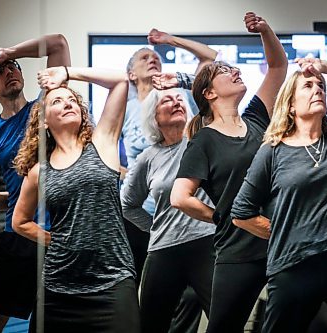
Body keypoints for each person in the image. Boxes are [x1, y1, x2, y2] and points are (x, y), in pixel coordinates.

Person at [231, 58, 327, 332]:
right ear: (291, 105)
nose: (317, 89)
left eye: (320, 86)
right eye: (307, 86)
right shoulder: (273, 150)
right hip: (294, 262)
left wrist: (324, 68)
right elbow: (241, 213)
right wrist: (285, 229)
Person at [170, 12, 287, 332]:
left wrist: (265, 30)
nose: (234, 71)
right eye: (225, 71)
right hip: (238, 249)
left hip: (282, 241)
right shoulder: (204, 140)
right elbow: (179, 197)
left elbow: (278, 66)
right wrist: (223, 215)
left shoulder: (257, 119)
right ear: (209, 93)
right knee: (224, 327)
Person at [12, 66, 138, 332]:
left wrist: (67, 74)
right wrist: (54, 240)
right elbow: (20, 221)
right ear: (44, 120)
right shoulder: (39, 171)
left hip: (113, 281)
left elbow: (119, 82)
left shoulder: (102, 143)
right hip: (58, 288)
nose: (67, 103)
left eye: (72, 100)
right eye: (57, 101)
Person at [122, 29, 217, 333]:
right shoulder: (146, 154)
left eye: (180, 100)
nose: (176, 102)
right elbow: (128, 203)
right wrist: (154, 225)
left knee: (222, 314)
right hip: (161, 240)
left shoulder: (201, 138)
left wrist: (171, 43)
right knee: (151, 321)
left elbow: (212, 73)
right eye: (168, 101)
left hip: (205, 240)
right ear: (154, 116)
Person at [0, 34, 70, 333]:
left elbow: (58, 43)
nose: (9, 72)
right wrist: (22, 198)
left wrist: (7, 51)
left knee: (59, 312)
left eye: (13, 66)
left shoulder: (45, 108)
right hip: (18, 234)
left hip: (61, 229)